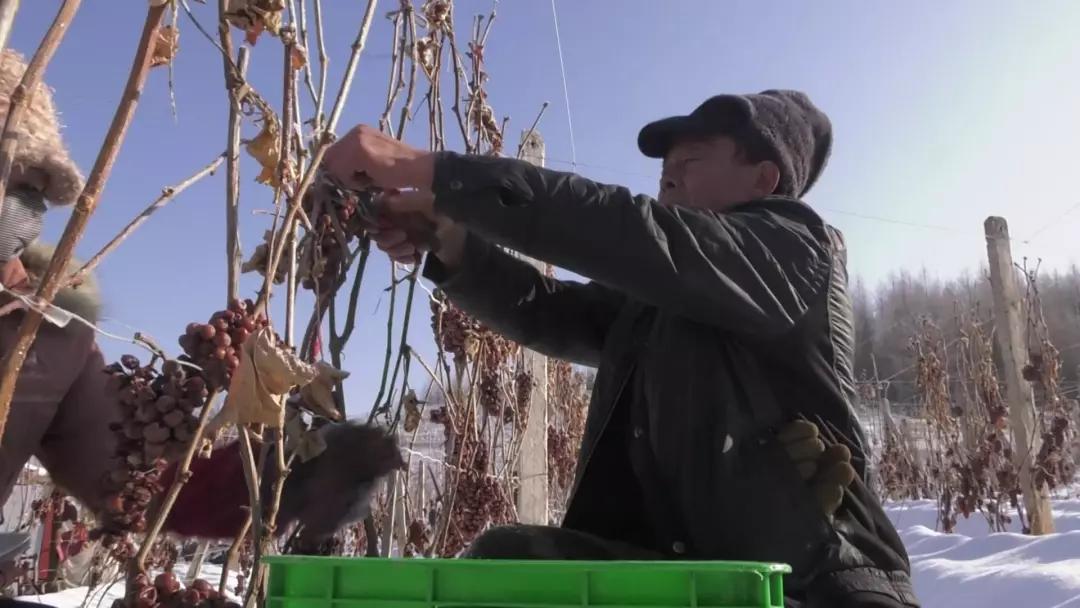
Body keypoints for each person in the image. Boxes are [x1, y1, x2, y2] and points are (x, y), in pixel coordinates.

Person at [323, 90, 920, 607]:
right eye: (662, 176)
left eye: (689, 163)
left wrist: (437, 172)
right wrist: (451, 245)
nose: (667, 183)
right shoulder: (662, 304)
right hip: (698, 575)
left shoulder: (793, 248)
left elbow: (633, 233)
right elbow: (553, 311)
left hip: (816, 585)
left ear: (764, 180)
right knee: (511, 561)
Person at [0, 48, 400, 594]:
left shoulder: (48, 330)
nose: (18, 235)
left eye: (30, 194)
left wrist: (293, 471)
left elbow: (138, 482)